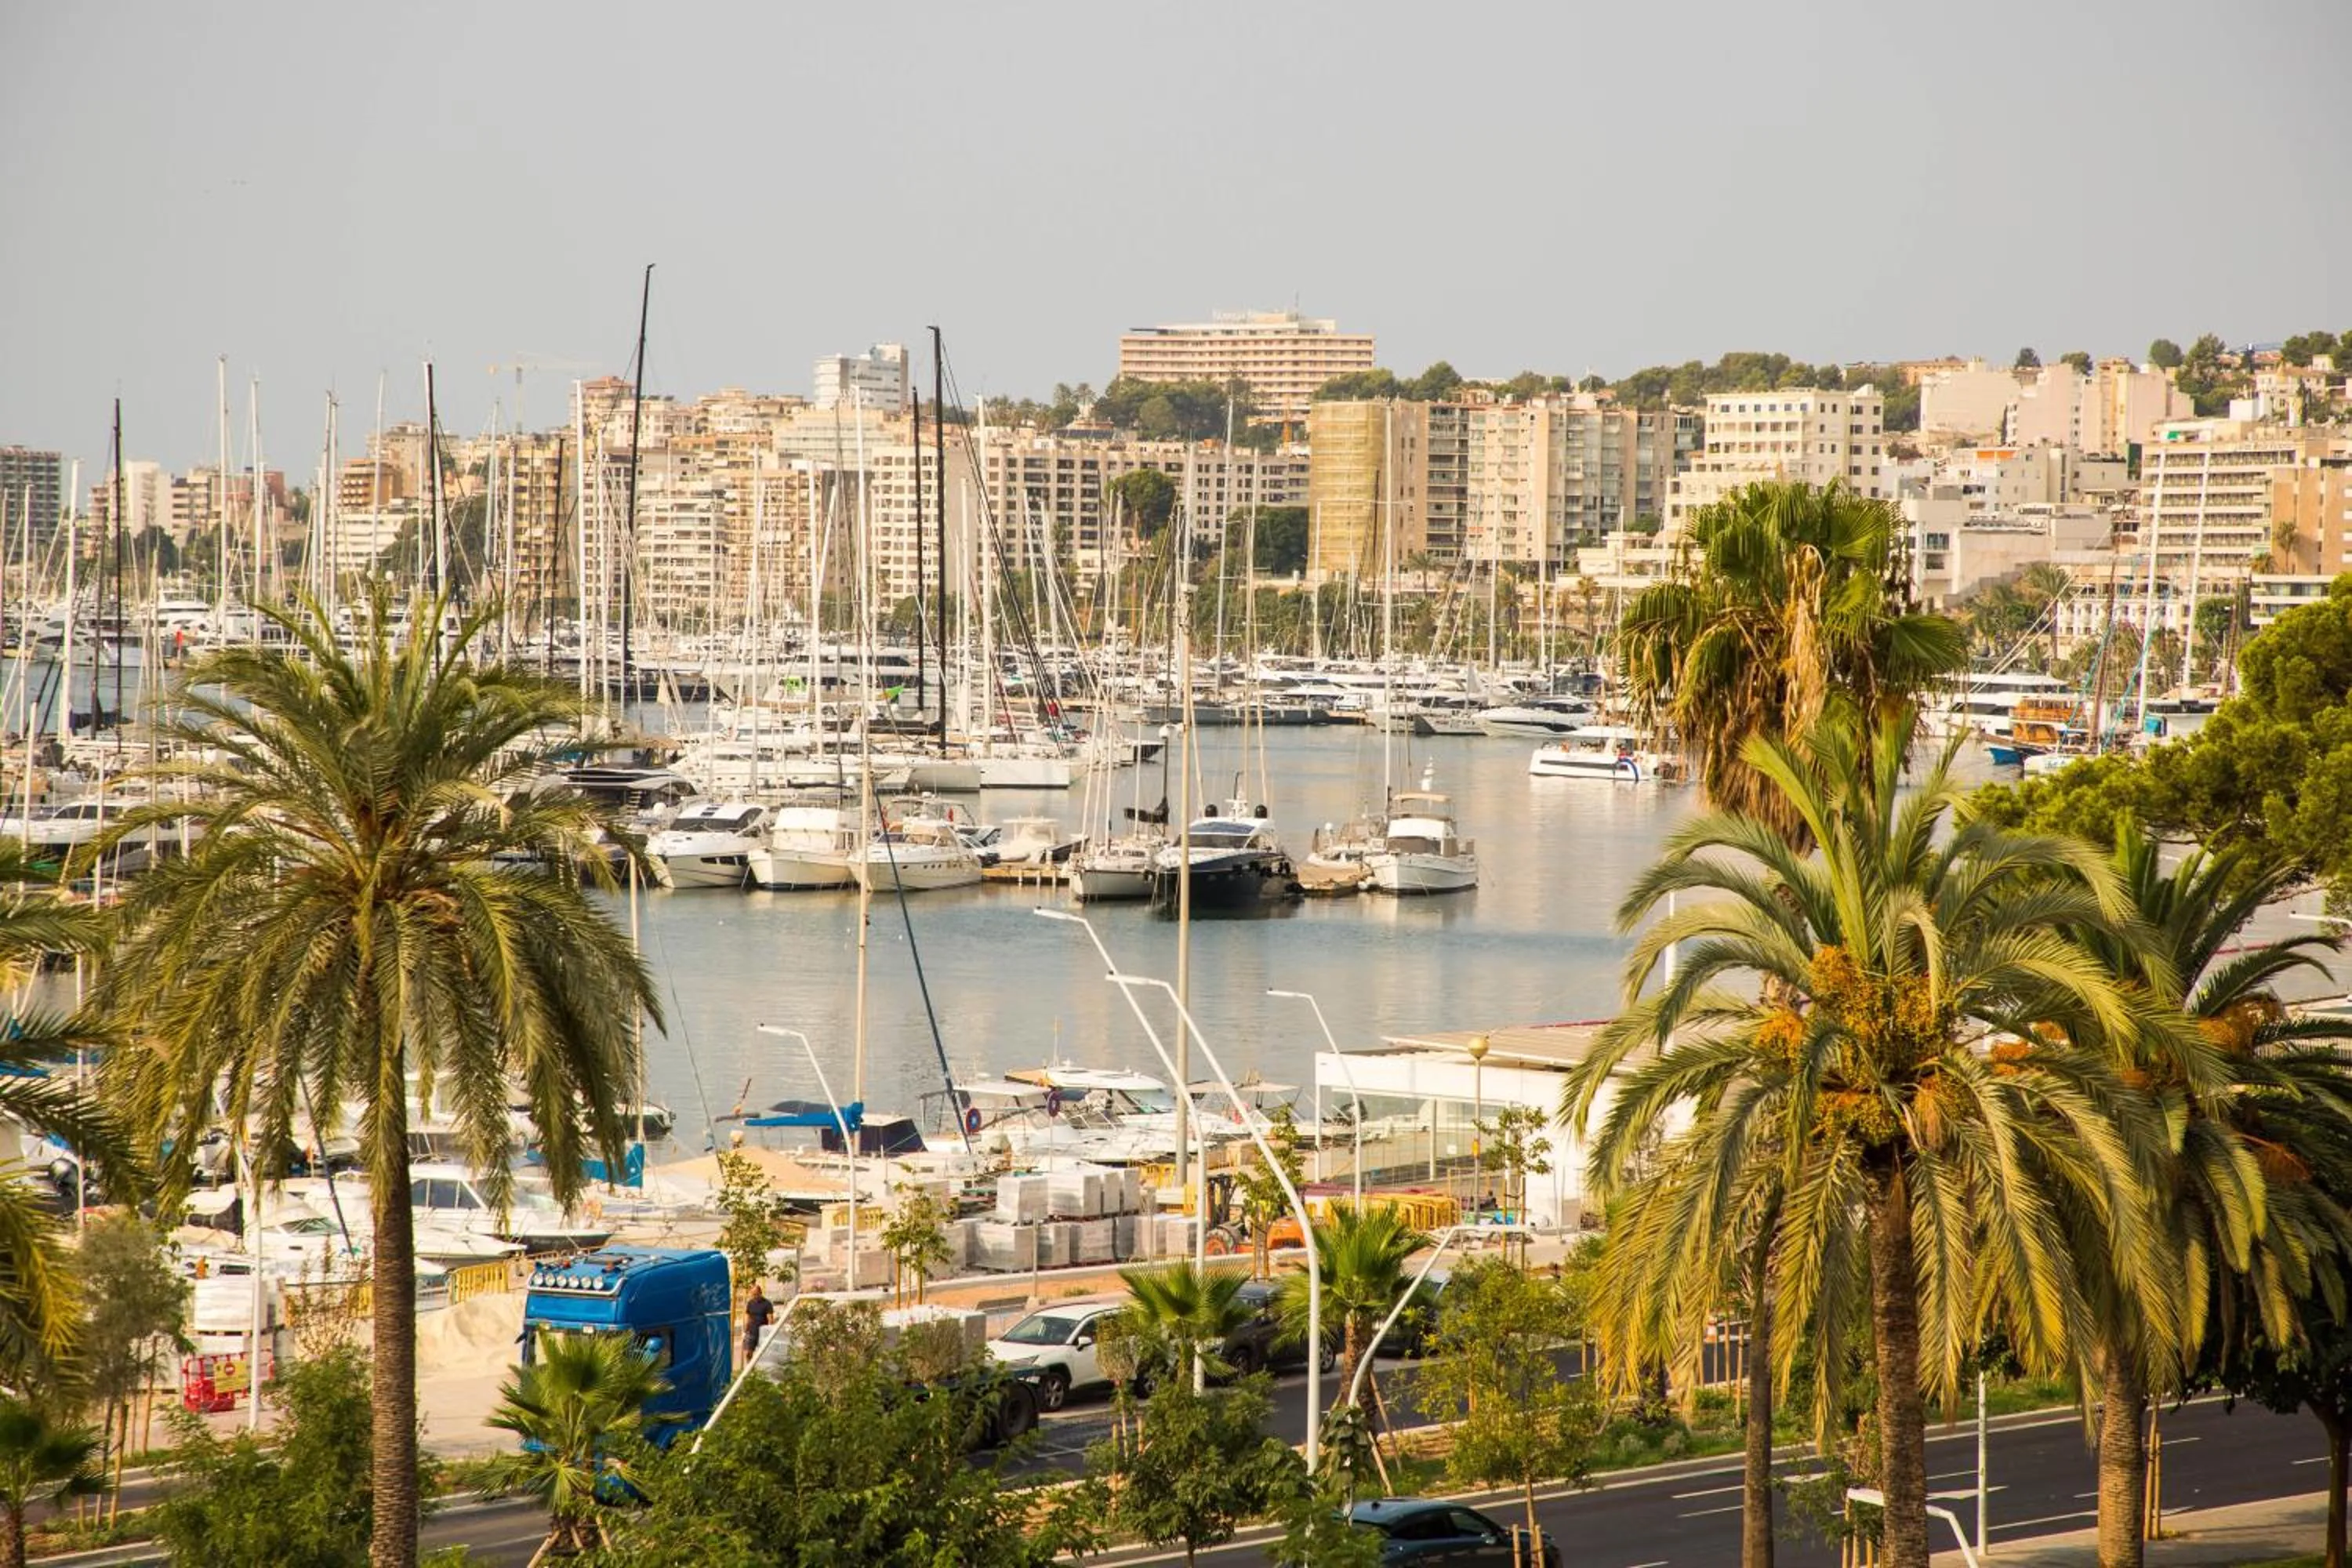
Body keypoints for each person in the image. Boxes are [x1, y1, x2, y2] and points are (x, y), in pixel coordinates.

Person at [742, 1281, 775, 1364]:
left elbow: (770, 1319)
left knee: (762, 1353)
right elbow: (747, 1315)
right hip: (751, 1330)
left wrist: (770, 1331)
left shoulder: (767, 1304)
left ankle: (759, 1369)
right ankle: (749, 1369)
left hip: (762, 1332)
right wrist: (745, 1328)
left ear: (760, 1293)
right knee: (748, 1352)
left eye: (756, 1294)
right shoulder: (750, 1303)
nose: (754, 1296)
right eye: (753, 1294)